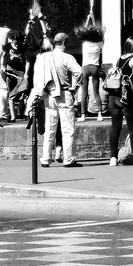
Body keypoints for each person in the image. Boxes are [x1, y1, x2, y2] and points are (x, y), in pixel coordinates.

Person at [30, 32, 82, 167]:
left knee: (50, 128)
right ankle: (68, 158)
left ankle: (45, 158)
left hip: (49, 94)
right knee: (68, 128)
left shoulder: (44, 57)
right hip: (64, 94)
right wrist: (74, 86)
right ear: (65, 43)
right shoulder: (67, 57)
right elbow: (79, 72)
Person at [104, 37, 133, 165]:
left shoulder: (119, 59)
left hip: (113, 97)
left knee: (115, 128)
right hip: (126, 98)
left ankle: (113, 158)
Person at [78, 25, 104, 118]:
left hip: (85, 68)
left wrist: (89, 20)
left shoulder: (84, 43)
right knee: (96, 92)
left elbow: (82, 31)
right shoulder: (99, 44)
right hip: (95, 67)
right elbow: (101, 35)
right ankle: (100, 114)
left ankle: (83, 115)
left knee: (84, 93)